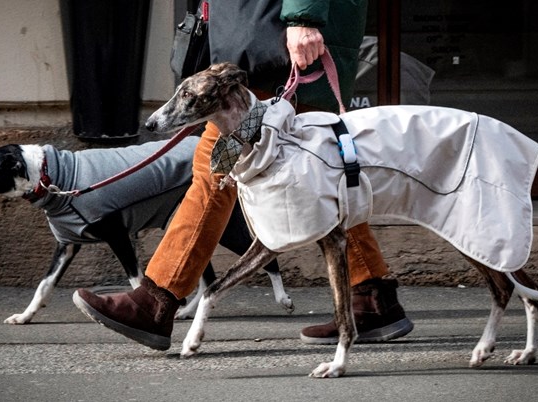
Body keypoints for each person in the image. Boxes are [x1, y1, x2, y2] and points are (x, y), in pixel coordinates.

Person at [73, 0, 413, 351]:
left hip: (274, 44)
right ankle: (372, 297)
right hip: (263, 37)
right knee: (322, 178)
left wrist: (303, 18)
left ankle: (156, 300)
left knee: (215, 170)